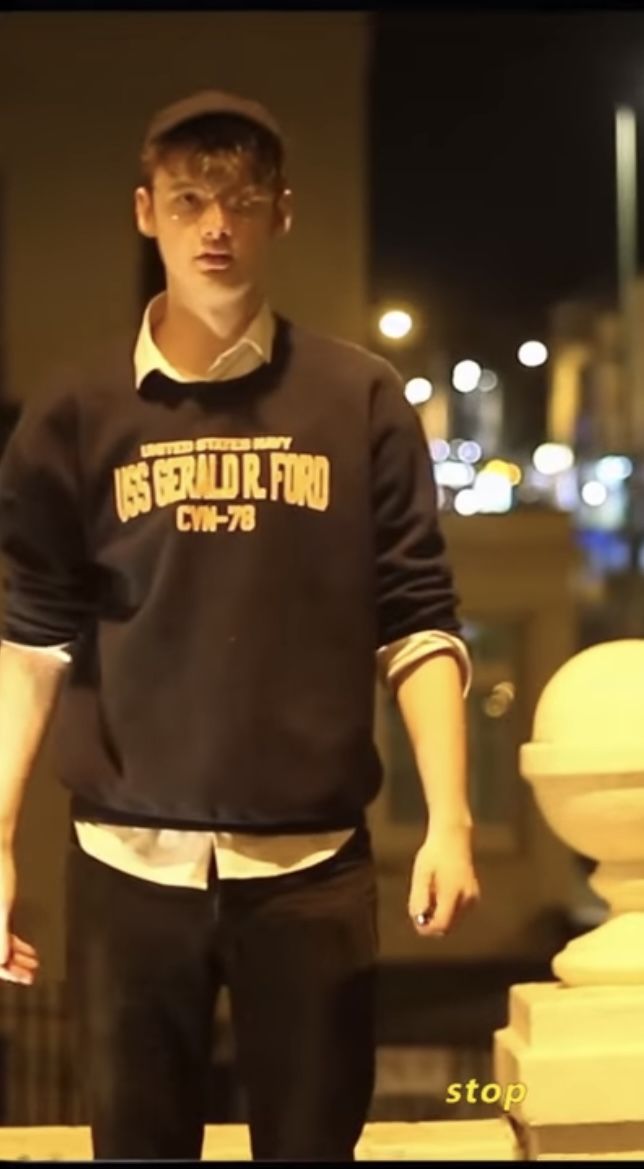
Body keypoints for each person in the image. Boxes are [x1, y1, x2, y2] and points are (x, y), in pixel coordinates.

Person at [0, 89, 480, 1161]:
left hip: (311, 868)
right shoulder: (76, 411)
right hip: (128, 862)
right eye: (187, 201)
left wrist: (449, 814)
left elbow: (413, 621)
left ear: (279, 215)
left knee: (312, 1145)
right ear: (145, 213)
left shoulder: (357, 400)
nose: (213, 227)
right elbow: (32, 639)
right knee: (135, 1144)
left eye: (238, 202)